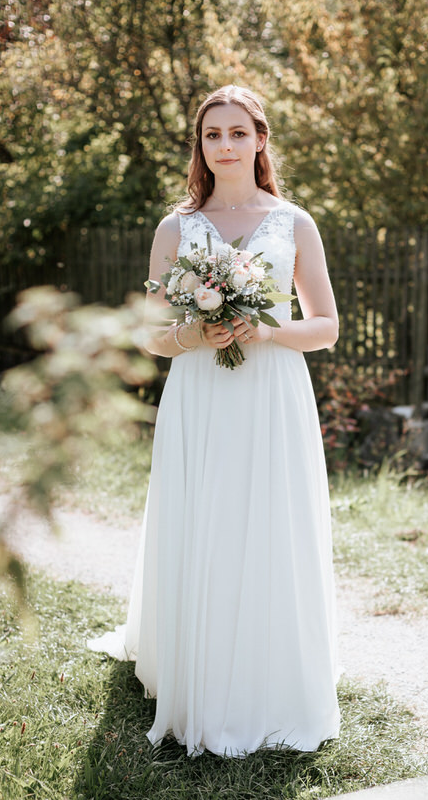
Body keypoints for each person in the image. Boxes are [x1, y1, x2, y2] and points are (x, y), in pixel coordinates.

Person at [89, 84, 340, 757]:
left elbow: (325, 326)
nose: (224, 145)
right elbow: (149, 334)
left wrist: (263, 331)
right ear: (200, 146)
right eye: (212, 135)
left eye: (237, 132)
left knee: (268, 520)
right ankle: (193, 669)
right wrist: (194, 338)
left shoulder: (294, 223)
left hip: (273, 392)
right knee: (203, 517)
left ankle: (271, 671)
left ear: (260, 140)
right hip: (199, 392)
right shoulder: (176, 228)